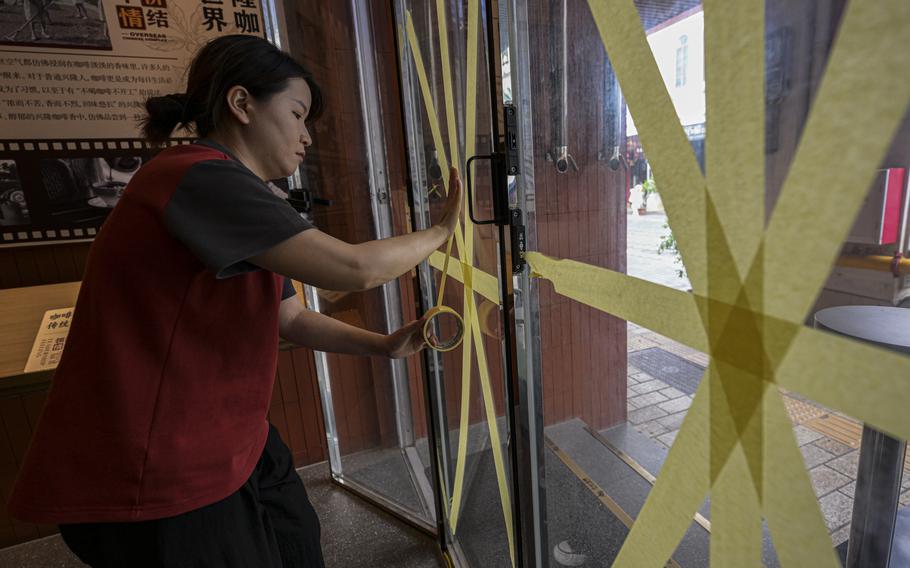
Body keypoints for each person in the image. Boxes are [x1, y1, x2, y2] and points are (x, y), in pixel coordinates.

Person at [7, 34, 462, 568]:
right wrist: (441, 230)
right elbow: (354, 268)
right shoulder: (195, 175)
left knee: (296, 541)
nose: (307, 138)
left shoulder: (248, 195)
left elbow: (289, 317)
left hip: (233, 436)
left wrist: (383, 345)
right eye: (297, 114)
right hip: (161, 465)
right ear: (242, 104)